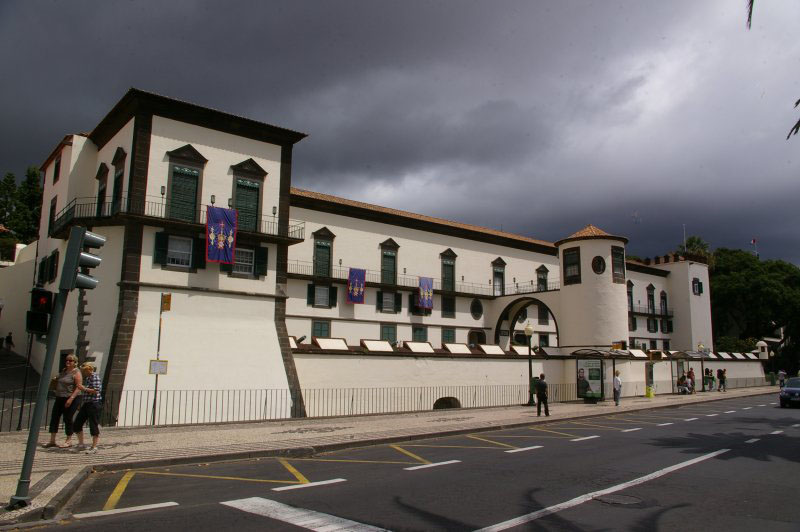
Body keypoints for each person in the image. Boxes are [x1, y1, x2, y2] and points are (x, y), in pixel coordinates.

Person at [44, 355, 83, 448]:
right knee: (55, 417)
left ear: (75, 362)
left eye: (70, 360)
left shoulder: (76, 372)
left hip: (71, 398)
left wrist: (71, 399)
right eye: (67, 360)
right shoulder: (64, 371)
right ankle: (52, 440)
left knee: (68, 418)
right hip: (59, 397)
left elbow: (79, 387)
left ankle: (69, 440)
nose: (68, 362)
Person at [73, 362, 102, 453]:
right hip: (87, 403)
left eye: (84, 370)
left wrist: (84, 388)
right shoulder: (88, 378)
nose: (83, 372)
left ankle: (94, 447)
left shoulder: (94, 377)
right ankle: (81, 444)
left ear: (89, 369)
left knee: (93, 424)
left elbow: (96, 391)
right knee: (77, 423)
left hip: (94, 403)